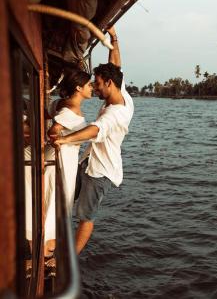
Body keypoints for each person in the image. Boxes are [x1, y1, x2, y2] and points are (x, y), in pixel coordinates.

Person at [52, 25, 134, 254]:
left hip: (101, 172)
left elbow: (93, 131)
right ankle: (54, 241)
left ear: (108, 83)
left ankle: (68, 259)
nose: (95, 88)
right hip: (88, 163)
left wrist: (65, 140)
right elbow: (115, 64)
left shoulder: (115, 114)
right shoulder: (121, 91)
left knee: (85, 217)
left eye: (97, 83)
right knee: (64, 199)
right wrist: (114, 37)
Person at [43, 70, 93, 274]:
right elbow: (53, 132)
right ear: (79, 88)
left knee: (57, 203)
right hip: (63, 161)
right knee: (57, 202)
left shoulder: (63, 105)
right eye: (89, 85)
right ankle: (46, 253)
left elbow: (49, 110)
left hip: (68, 160)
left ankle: (48, 249)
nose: (92, 88)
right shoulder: (69, 111)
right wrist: (60, 142)